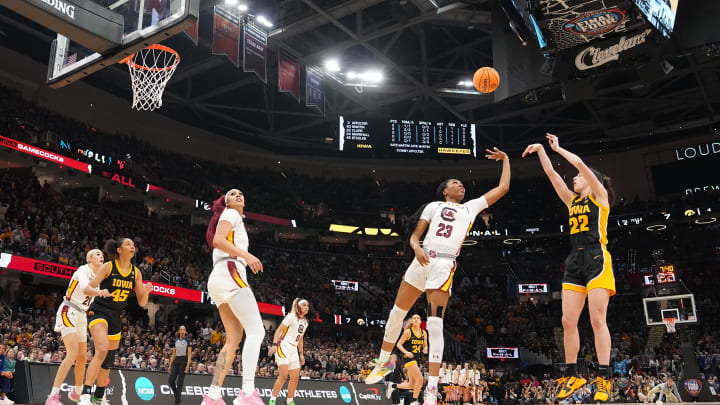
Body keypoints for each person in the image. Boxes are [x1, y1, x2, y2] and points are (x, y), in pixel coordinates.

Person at [366, 147, 511, 405]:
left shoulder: (470, 208)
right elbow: (414, 235)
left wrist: (506, 161)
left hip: (443, 265)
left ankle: (431, 389)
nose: (462, 186)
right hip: (421, 259)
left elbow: (502, 189)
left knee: (434, 324)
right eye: (456, 183)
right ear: (445, 190)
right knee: (396, 314)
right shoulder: (433, 206)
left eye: (463, 184)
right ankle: (383, 364)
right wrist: (416, 246)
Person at [522, 133, 616, 402]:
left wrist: (559, 148)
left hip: (598, 258)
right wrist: (541, 151)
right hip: (575, 259)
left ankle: (604, 378)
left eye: (577, 176)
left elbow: (581, 165)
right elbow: (552, 175)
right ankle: (573, 374)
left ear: (590, 179)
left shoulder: (599, 197)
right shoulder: (572, 201)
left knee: (597, 319)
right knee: (567, 321)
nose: (573, 178)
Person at [203, 189, 265, 405]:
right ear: (226, 201)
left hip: (218, 278)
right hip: (230, 271)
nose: (238, 195)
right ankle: (247, 392)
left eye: (241, 193)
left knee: (233, 339)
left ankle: (212, 395)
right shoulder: (230, 214)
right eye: (232, 193)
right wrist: (247, 256)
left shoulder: (234, 218)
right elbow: (218, 241)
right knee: (257, 330)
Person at [79, 238, 153, 405]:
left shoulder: (136, 273)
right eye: (128, 244)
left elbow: (142, 302)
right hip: (98, 311)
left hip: (116, 316)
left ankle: (98, 396)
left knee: (108, 360)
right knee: (102, 348)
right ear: (119, 249)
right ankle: (84, 395)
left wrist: (146, 291)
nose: (132, 246)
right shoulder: (109, 266)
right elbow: (87, 288)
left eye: (133, 245)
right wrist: (100, 292)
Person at [46, 249, 110, 405]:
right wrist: (101, 292)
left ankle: (77, 393)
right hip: (69, 309)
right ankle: (52, 396)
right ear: (89, 259)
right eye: (97, 254)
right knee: (73, 353)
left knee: (82, 357)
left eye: (102, 254)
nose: (101, 256)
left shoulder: (99, 278)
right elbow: (84, 288)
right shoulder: (83, 270)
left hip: (82, 314)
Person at [268, 298, 310, 405]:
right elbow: (278, 330)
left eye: (308, 306)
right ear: (299, 307)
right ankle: (272, 400)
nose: (307, 307)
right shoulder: (291, 317)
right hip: (283, 345)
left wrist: (301, 354)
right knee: (283, 375)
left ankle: (290, 401)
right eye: (304, 305)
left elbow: (300, 339)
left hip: (293, 348)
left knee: (295, 377)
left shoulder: (305, 322)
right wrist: (274, 344)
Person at [386, 314, 428, 405]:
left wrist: (425, 349)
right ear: (412, 321)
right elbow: (399, 344)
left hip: (416, 360)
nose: (416, 319)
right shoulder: (408, 332)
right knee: (420, 379)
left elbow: (425, 345)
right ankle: (414, 401)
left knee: (411, 385)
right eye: (414, 318)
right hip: (408, 359)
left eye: (418, 318)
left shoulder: (423, 333)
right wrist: (406, 352)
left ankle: (392, 385)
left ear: (420, 321)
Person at [168, 325, 192, 405]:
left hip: (183, 361)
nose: (182, 331)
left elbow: (189, 355)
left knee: (179, 383)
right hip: (176, 360)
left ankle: (177, 402)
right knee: (171, 381)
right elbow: (174, 354)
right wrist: (170, 365)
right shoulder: (176, 340)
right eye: (181, 329)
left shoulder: (188, 341)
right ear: (178, 331)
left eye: (183, 329)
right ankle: (177, 396)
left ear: (185, 331)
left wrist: (188, 365)